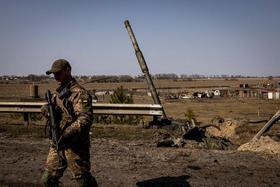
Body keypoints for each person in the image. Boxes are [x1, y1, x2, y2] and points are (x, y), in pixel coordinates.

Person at [41, 59, 98, 187]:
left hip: (75, 145)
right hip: (57, 143)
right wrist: (46, 109)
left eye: (58, 73)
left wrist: (66, 134)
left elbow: (84, 119)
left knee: (83, 180)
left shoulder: (79, 93)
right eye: (54, 74)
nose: (55, 76)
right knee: (48, 179)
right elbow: (54, 107)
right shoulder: (59, 92)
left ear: (68, 71)